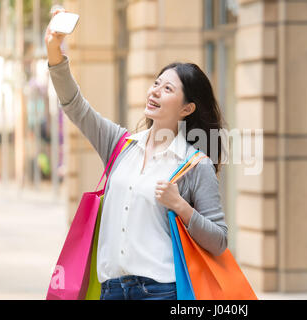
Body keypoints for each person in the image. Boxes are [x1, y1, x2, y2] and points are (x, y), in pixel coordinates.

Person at [45, 9, 228, 300]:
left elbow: (218, 241)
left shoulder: (195, 165)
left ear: (186, 108)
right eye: (156, 83)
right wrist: (54, 49)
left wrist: (180, 205)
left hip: (161, 291)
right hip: (112, 290)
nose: (155, 91)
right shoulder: (121, 145)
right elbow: (74, 105)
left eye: (167, 88)